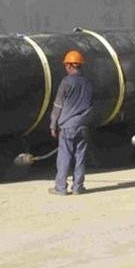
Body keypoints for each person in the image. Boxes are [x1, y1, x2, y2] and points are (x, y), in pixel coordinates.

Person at [48, 50, 94, 195]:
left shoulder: (66, 82)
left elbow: (58, 105)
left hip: (68, 126)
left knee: (64, 156)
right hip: (83, 125)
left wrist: (53, 125)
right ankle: (78, 187)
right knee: (80, 156)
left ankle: (61, 188)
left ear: (69, 65)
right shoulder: (87, 83)